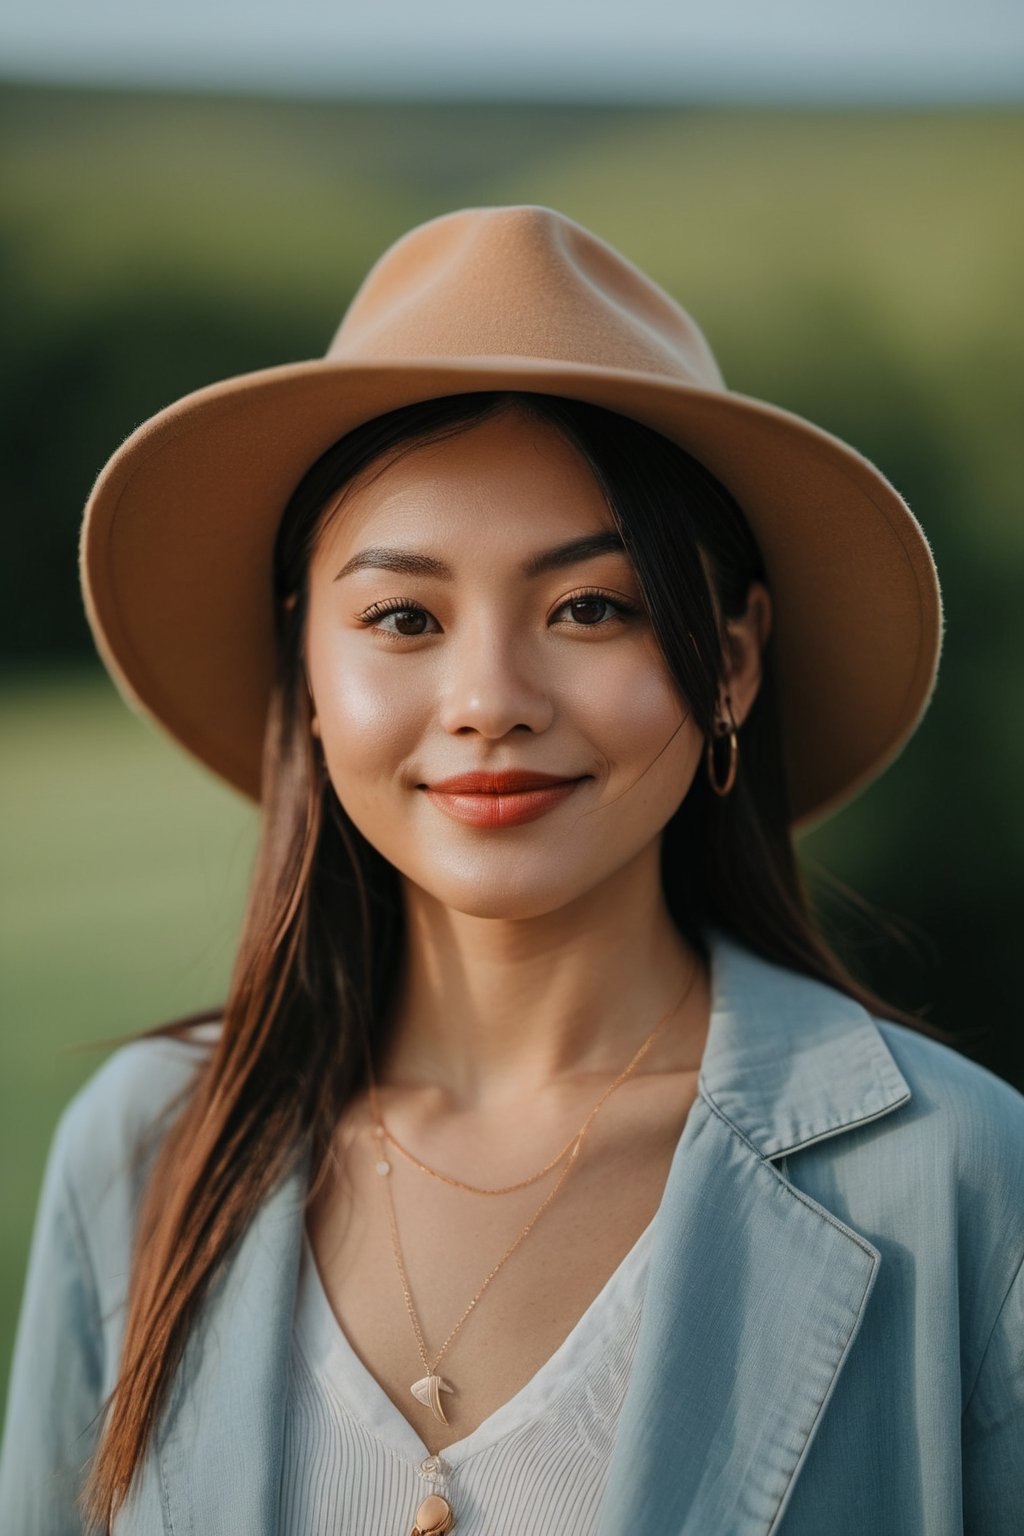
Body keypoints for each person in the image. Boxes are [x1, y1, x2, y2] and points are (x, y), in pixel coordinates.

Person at [0, 204, 1021, 1536]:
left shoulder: (962, 1179)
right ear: (306, 666)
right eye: (405, 617)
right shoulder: (141, 1154)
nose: (490, 700)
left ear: (734, 659)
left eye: (591, 607)